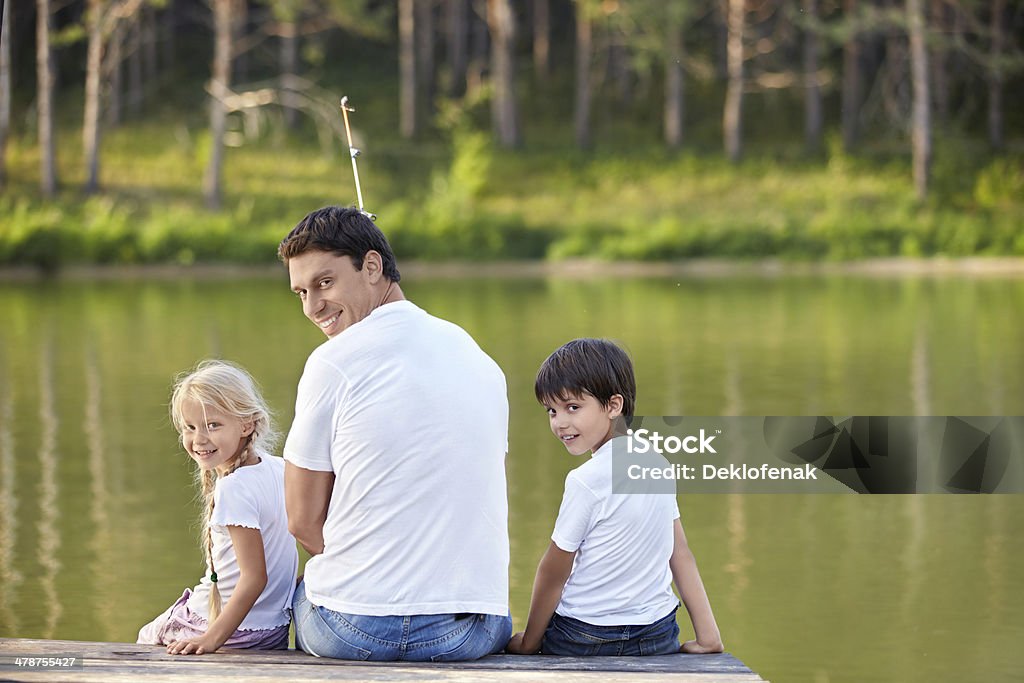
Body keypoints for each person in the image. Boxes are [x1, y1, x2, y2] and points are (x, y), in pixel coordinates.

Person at [279, 206, 511, 661]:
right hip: (473, 633)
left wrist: (369, 572)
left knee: (300, 588)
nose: (312, 307)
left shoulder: (331, 365)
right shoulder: (479, 357)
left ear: (371, 266)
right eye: (300, 292)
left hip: (356, 631)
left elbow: (302, 522)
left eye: (324, 283)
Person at [505, 338, 723, 656]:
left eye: (573, 407)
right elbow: (680, 553)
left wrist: (530, 642)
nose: (559, 422)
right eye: (552, 410)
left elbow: (554, 571)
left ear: (613, 406)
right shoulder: (658, 465)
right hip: (656, 634)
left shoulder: (586, 481)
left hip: (584, 637)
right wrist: (708, 636)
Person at [137, 360, 298, 654]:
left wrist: (211, 639)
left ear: (246, 424)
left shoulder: (235, 487)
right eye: (190, 427)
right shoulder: (281, 468)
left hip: (233, 630)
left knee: (148, 636)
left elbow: (254, 578)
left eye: (213, 425)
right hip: (273, 630)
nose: (199, 439)